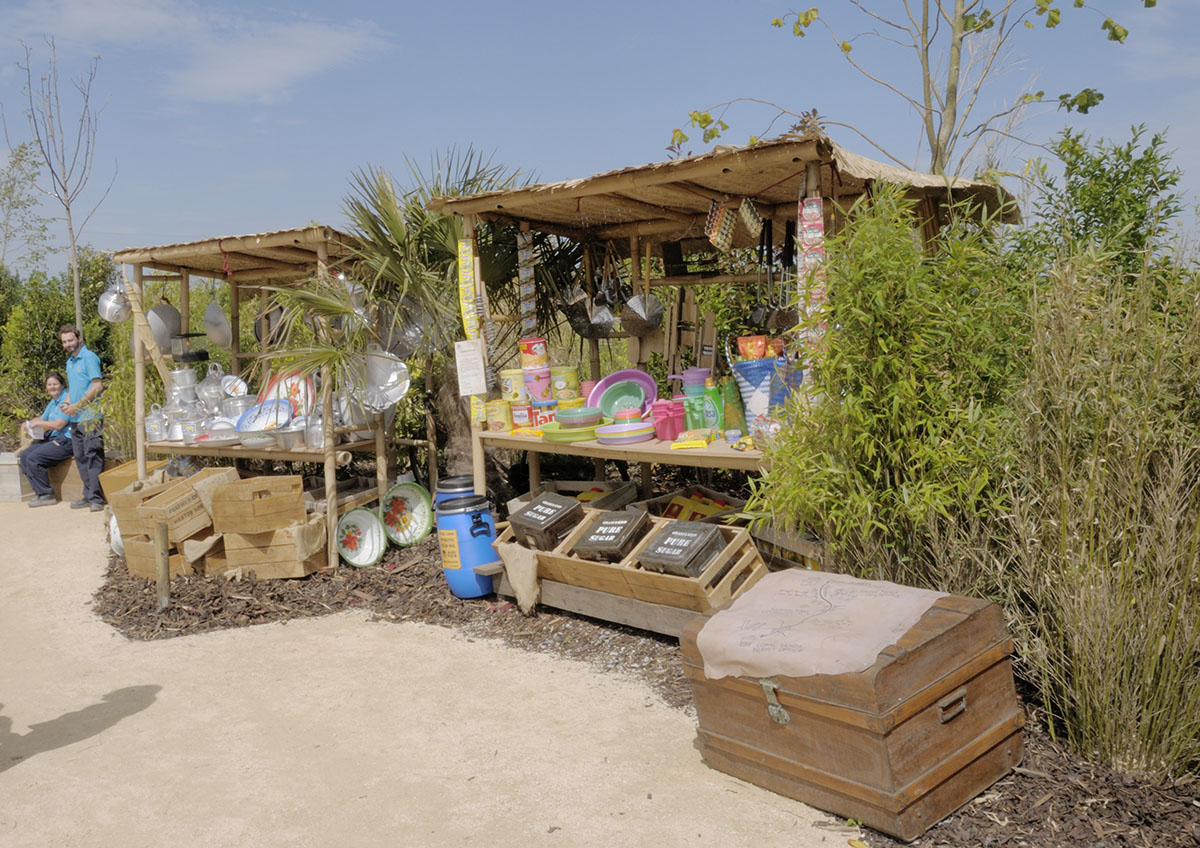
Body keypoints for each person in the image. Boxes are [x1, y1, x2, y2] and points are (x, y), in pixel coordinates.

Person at [58, 325, 106, 511]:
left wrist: (78, 405)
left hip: (91, 416)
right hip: (75, 418)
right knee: (80, 457)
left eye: (70, 340)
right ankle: (88, 495)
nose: (68, 344)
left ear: (78, 338)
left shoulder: (89, 357)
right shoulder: (70, 362)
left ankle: (97, 499)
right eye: (64, 342)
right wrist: (68, 403)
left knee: (93, 455)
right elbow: (74, 388)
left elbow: (97, 385)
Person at [18, 372, 74, 507]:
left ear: (62, 385)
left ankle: (46, 494)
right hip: (53, 438)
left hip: (66, 441)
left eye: (55, 384)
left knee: (33, 458)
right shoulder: (53, 401)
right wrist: (28, 423)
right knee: (25, 455)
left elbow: (59, 424)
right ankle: (39, 492)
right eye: (49, 385)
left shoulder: (66, 399)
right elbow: (43, 418)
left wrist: (38, 424)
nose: (52, 387)